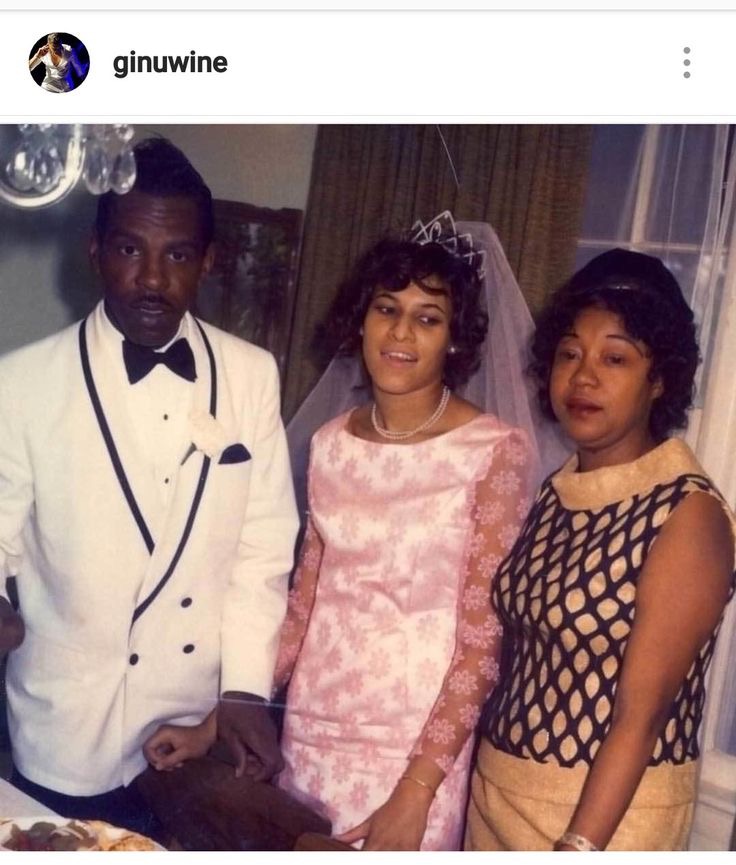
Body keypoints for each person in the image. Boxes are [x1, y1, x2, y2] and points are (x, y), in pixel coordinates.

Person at [143, 219, 537, 850]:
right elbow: (300, 612)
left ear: (455, 338)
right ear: (362, 320)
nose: (401, 333)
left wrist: (417, 790)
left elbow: (481, 646)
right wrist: (216, 724)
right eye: (387, 309)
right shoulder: (330, 444)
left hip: (414, 753)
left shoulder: (492, 452)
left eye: (428, 318)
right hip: (313, 733)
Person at [0, 137, 298, 834]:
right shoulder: (22, 381)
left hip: (189, 731)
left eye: (179, 255)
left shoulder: (251, 374)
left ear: (209, 260)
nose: (153, 280)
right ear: (95, 251)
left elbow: (262, 550)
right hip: (67, 723)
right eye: (131, 250)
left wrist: (244, 691)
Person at [465, 248, 736, 851]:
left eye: (615, 358)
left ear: (660, 378)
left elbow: (642, 717)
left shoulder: (687, 513)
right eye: (569, 354)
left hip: (604, 823)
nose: (583, 377)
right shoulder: (559, 490)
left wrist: (578, 848)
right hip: (496, 797)